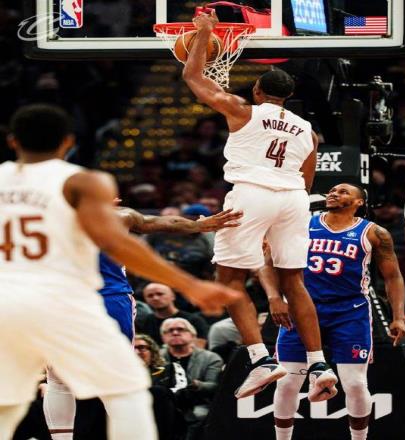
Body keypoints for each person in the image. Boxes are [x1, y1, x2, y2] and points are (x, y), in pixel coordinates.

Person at [0, 103, 241, 440]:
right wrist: (191, 278)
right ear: (68, 142)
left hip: (30, 300)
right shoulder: (85, 186)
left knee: (54, 379)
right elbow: (152, 227)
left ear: (12, 141)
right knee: (123, 384)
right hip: (98, 298)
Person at [182, 10, 336, 401]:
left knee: (230, 279)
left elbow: (193, 77)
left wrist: (203, 33)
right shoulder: (308, 131)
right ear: (288, 97)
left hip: (252, 193)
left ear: (257, 90)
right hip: (294, 199)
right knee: (294, 282)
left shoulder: (242, 110)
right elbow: (308, 180)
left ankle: (261, 359)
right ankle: (319, 364)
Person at [43, 205, 241, 439]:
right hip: (109, 299)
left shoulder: (37, 218)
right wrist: (197, 225)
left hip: (60, 299)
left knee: (58, 379)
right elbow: (162, 223)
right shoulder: (117, 216)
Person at [262, 183, 405, 440]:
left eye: (343, 192)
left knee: (355, 384)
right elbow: (268, 261)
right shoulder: (302, 224)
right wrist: (274, 297)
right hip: (302, 308)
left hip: (349, 312)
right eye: (332, 190)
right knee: (286, 383)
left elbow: (393, 277)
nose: (333, 193)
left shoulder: (374, 233)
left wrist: (398, 317)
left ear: (359, 202)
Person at [160, 318, 223, 440]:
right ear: (163, 337)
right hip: (165, 403)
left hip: (197, 403)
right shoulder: (157, 356)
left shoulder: (210, 358)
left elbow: (215, 386)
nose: (175, 333)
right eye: (170, 331)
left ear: (193, 336)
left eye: (180, 329)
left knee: (198, 415)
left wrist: (196, 384)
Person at [139, 283, 209, 347]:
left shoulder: (194, 320)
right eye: (150, 296)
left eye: (160, 294)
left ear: (173, 296)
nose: (155, 298)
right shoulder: (145, 323)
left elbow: (199, 349)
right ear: (145, 300)